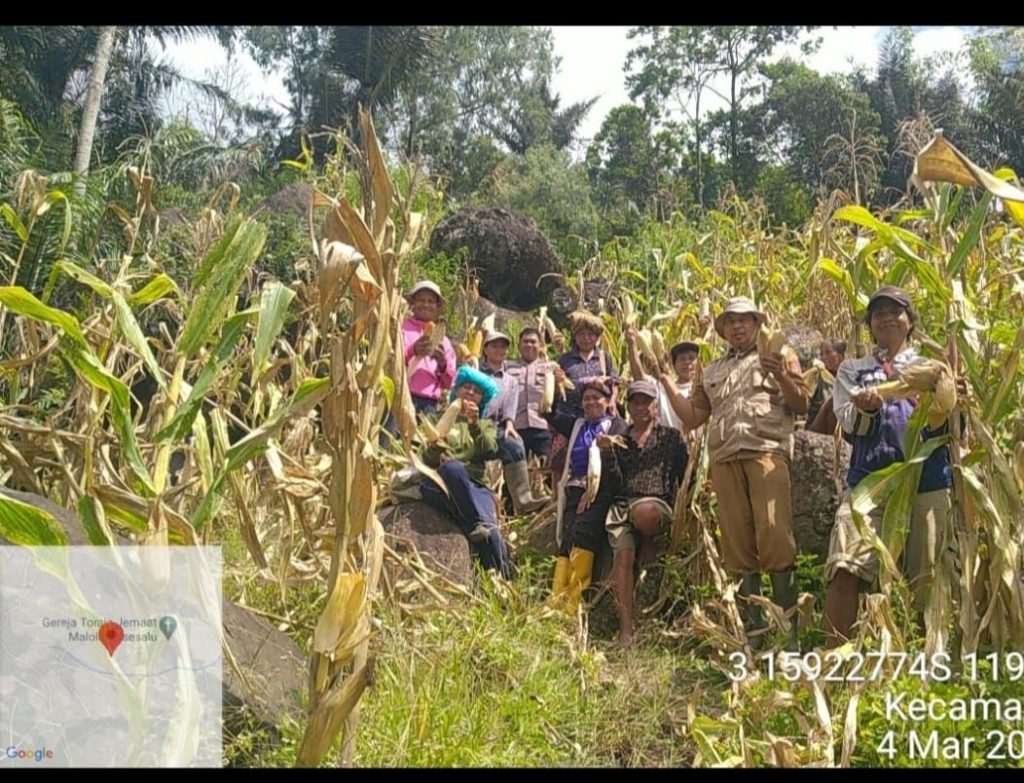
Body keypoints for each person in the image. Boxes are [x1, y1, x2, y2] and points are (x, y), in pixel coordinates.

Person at [658, 297, 808, 652]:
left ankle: (788, 634)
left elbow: (801, 403)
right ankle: (754, 634)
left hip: (765, 451)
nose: (737, 326)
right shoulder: (710, 370)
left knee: (775, 536)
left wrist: (780, 374)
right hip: (725, 459)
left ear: (757, 324)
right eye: (730, 321)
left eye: (744, 320)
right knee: (737, 546)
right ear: (723, 329)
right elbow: (693, 417)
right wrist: (664, 380)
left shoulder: (779, 355)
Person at [823, 287, 956, 646]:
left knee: (927, 577)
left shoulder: (933, 368)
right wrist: (867, 409)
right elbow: (848, 422)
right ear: (870, 326)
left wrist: (954, 399)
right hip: (871, 483)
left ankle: (928, 658)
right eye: (878, 313)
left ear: (910, 321)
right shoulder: (854, 370)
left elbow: (952, 426)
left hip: (928, 481)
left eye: (895, 311)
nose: (886, 318)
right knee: (845, 563)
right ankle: (834, 656)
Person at [604, 379, 688, 648]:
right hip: (622, 505)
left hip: (655, 503)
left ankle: (649, 538)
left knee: (645, 513)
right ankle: (626, 629)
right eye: (635, 402)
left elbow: (684, 475)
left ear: (656, 406)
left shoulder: (671, 437)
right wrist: (607, 455)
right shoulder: (620, 440)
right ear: (628, 407)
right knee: (623, 557)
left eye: (646, 402)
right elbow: (613, 482)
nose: (641, 407)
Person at [543, 381, 628, 613]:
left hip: (600, 490)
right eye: (586, 398)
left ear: (607, 401)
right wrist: (554, 383)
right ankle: (556, 597)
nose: (591, 402)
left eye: (596, 398)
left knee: (583, 533)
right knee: (567, 537)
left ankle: (573, 602)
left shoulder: (617, 426)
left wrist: (594, 487)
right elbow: (548, 412)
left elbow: (619, 466)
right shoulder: (577, 424)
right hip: (573, 488)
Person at [419, 366, 511, 579]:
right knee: (453, 468)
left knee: (492, 532)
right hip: (441, 482)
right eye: (466, 387)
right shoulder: (434, 419)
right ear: (456, 390)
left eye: (477, 391)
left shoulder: (485, 424)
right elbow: (423, 460)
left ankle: (504, 582)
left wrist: (474, 424)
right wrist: (435, 448)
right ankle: (472, 524)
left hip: (474, 485)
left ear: (482, 400)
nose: (470, 393)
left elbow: (490, 450)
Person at [479, 331, 547, 514]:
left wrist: (509, 424)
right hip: (475, 423)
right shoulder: (475, 372)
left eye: (503, 347)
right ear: (485, 349)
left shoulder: (510, 380)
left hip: (495, 426)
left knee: (515, 445)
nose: (499, 350)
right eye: (494, 346)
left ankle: (523, 500)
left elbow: (510, 406)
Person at [401, 280, 457, 416]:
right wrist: (413, 351)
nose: (426, 304)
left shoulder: (444, 341)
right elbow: (388, 359)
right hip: (401, 395)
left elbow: (449, 383)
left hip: (428, 404)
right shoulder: (401, 328)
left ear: (438, 307)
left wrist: (442, 364)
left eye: (431, 301)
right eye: (421, 300)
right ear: (412, 304)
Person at [506, 328, 556, 461]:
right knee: (517, 470)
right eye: (525, 341)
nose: (529, 345)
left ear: (541, 345)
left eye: (533, 342)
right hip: (516, 428)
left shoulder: (551, 367)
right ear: (518, 346)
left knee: (545, 469)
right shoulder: (507, 367)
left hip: (543, 427)